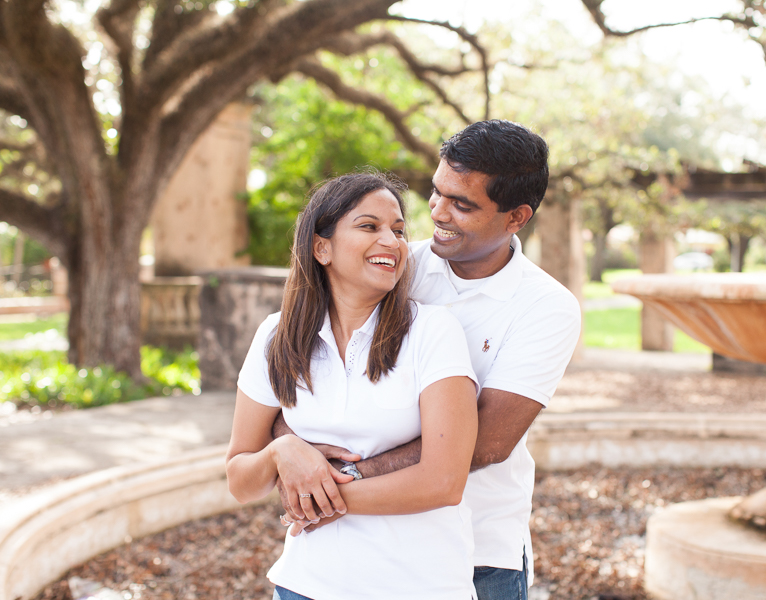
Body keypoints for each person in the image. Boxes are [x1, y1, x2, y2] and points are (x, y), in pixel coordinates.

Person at [275, 120, 582, 600]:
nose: (438, 212)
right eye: (436, 193)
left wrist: (338, 482)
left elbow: (486, 443)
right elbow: (297, 375)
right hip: (365, 542)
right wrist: (289, 448)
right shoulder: (393, 268)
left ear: (516, 217)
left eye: (462, 204)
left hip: (482, 552)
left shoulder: (546, 307)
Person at [225, 172, 480, 600]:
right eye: (369, 226)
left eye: (398, 231)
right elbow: (240, 479)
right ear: (321, 247)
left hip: (421, 587)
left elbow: (444, 481)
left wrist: (316, 494)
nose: (393, 242)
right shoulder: (276, 337)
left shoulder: (433, 331)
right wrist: (283, 452)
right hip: (304, 586)